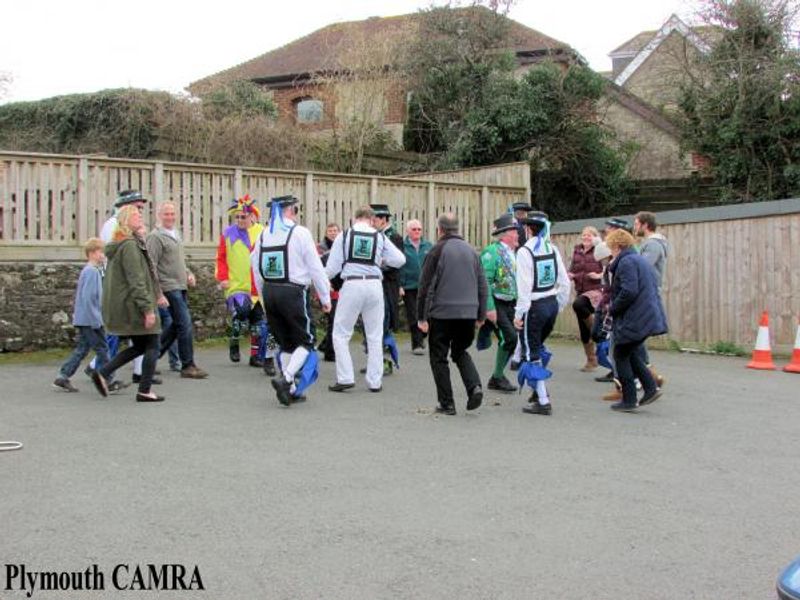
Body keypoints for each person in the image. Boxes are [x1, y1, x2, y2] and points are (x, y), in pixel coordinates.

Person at [252, 195, 331, 406]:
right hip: (293, 292)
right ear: (290, 211)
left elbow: (256, 268)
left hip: (270, 292)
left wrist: (263, 296)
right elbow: (315, 266)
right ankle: (286, 378)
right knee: (307, 341)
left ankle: (291, 391)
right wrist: (325, 296)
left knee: (286, 343)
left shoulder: (262, 236)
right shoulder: (300, 233)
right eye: (295, 210)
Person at [325, 207, 406, 393]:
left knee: (341, 334)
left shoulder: (344, 236)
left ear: (354, 219)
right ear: (371, 219)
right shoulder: (379, 236)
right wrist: (381, 261)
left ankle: (345, 378)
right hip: (375, 285)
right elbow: (400, 260)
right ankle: (374, 381)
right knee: (375, 335)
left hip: (352, 284)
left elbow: (332, 268)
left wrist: (319, 283)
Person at [89, 205, 165, 402]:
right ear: (125, 220)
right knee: (153, 344)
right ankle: (144, 390)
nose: (140, 217)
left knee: (140, 346)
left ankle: (103, 372)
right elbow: (136, 279)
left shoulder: (121, 243)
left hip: (128, 303)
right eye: (135, 215)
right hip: (133, 305)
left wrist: (156, 296)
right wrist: (147, 309)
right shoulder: (130, 245)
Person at [417, 213, 488, 416]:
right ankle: (474, 387)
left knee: (439, 357)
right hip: (468, 313)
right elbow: (482, 284)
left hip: (442, 313)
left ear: (440, 229)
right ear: (457, 228)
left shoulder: (436, 250)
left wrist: (421, 318)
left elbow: (425, 286)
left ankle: (447, 403)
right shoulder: (472, 251)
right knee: (459, 351)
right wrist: (481, 314)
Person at [513, 211, 571, 416]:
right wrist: (559, 305)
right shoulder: (552, 249)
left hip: (534, 308)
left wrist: (519, 315)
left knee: (532, 353)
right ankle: (537, 391)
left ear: (528, 229)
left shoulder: (524, 252)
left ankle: (543, 400)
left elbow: (524, 288)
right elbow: (565, 282)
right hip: (551, 305)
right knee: (536, 348)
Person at [605, 229, 667, 412]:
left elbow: (629, 291)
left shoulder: (626, 262)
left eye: (611, 248)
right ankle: (651, 388)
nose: (611, 252)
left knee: (621, 355)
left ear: (617, 246)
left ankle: (629, 399)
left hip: (635, 317)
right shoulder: (637, 259)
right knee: (630, 353)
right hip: (646, 314)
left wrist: (613, 308)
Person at [53, 239, 127, 394]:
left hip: (85, 318)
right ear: (92, 253)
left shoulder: (91, 271)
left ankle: (63, 375)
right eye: (101, 252)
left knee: (82, 349)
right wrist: (97, 320)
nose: (103, 255)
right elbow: (89, 298)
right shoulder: (92, 272)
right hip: (91, 320)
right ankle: (108, 379)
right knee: (103, 349)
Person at [146, 201, 207, 379]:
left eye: (172, 214)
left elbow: (179, 261)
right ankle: (188, 365)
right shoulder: (155, 237)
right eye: (166, 214)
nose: (170, 217)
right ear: (159, 216)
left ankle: (151, 357)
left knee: (175, 326)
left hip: (180, 285)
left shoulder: (176, 234)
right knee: (185, 324)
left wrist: (188, 273)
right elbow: (151, 266)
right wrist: (158, 293)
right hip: (168, 286)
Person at [215, 195, 275, 375]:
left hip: (257, 287)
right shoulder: (228, 233)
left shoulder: (263, 232)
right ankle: (234, 340)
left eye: (243, 216)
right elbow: (221, 258)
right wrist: (222, 278)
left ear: (252, 217)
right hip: (237, 285)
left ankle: (256, 356)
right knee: (241, 312)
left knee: (259, 323)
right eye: (237, 217)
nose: (240, 220)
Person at [479, 213, 519, 393]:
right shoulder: (491, 252)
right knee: (510, 337)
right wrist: (489, 307)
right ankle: (496, 376)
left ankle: (497, 376)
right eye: (515, 231)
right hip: (497, 302)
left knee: (510, 340)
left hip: (511, 302)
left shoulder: (514, 253)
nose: (518, 235)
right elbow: (484, 281)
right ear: (506, 234)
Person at [594, 217, 632, 384]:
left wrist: (611, 308)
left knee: (623, 349)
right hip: (610, 305)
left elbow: (624, 290)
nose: (606, 231)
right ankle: (619, 376)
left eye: (610, 228)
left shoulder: (622, 263)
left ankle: (626, 382)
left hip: (619, 309)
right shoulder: (612, 262)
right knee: (612, 345)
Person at [634, 210, 668, 388]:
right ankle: (648, 376)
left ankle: (647, 377)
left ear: (645, 225)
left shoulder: (653, 245)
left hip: (647, 295)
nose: (635, 227)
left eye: (637, 223)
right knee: (637, 338)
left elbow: (642, 268)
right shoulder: (649, 243)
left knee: (637, 337)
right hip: (645, 294)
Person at [371, 203, 404, 374]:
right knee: (375, 323)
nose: (371, 223)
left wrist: (376, 265)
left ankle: (386, 362)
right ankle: (376, 361)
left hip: (388, 285)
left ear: (383, 220)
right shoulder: (376, 235)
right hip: (377, 284)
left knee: (385, 322)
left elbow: (395, 263)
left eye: (374, 219)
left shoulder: (394, 237)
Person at [568, 226, 604, 371]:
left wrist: (598, 276)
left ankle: (599, 330)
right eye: (584, 235)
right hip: (581, 290)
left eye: (590, 235)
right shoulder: (577, 250)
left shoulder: (600, 250)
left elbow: (608, 269)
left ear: (595, 237)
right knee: (583, 328)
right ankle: (591, 360)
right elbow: (573, 268)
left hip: (595, 291)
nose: (586, 237)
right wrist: (570, 274)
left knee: (578, 304)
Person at [398, 219, 432, 355]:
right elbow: (398, 267)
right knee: (413, 315)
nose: (417, 231)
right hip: (409, 286)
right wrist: (399, 285)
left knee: (427, 314)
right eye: (414, 229)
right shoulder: (402, 247)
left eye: (419, 229)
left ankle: (423, 335)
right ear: (407, 231)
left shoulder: (428, 246)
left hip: (426, 286)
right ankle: (416, 344)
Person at [316, 223, 342, 362]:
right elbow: (318, 269)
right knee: (333, 320)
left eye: (335, 230)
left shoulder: (342, 247)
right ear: (326, 233)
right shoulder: (320, 249)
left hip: (340, 288)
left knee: (336, 320)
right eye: (330, 231)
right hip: (327, 288)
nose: (333, 233)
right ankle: (330, 352)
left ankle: (325, 345)